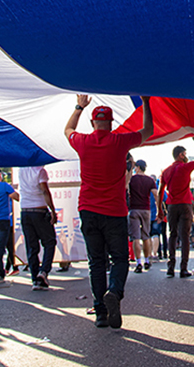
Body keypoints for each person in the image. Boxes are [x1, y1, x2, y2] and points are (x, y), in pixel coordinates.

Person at [66, 95, 154, 329]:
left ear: (94, 123)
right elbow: (148, 130)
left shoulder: (82, 141)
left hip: (88, 210)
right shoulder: (120, 142)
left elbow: (68, 129)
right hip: (114, 211)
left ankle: (100, 313)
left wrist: (79, 107)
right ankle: (114, 291)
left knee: (96, 262)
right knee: (120, 259)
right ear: (112, 123)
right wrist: (145, 102)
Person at [157, 137, 194, 278]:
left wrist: (160, 209)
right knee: (184, 236)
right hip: (185, 204)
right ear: (181, 155)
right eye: (185, 154)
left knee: (172, 235)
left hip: (171, 205)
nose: (186, 156)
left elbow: (161, 191)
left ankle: (170, 267)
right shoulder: (186, 167)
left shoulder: (166, 171)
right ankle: (183, 268)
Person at [15, 164, 57, 291]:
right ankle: (43, 272)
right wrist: (53, 210)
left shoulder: (22, 169)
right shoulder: (40, 171)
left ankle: (35, 279)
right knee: (50, 242)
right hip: (39, 210)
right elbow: (44, 190)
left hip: (25, 210)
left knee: (31, 246)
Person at [128, 160, 157, 273]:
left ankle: (138, 262)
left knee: (136, 237)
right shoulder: (150, 180)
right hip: (146, 209)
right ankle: (146, 260)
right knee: (146, 236)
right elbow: (155, 194)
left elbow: (126, 188)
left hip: (134, 209)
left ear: (138, 167)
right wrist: (160, 208)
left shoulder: (132, 179)